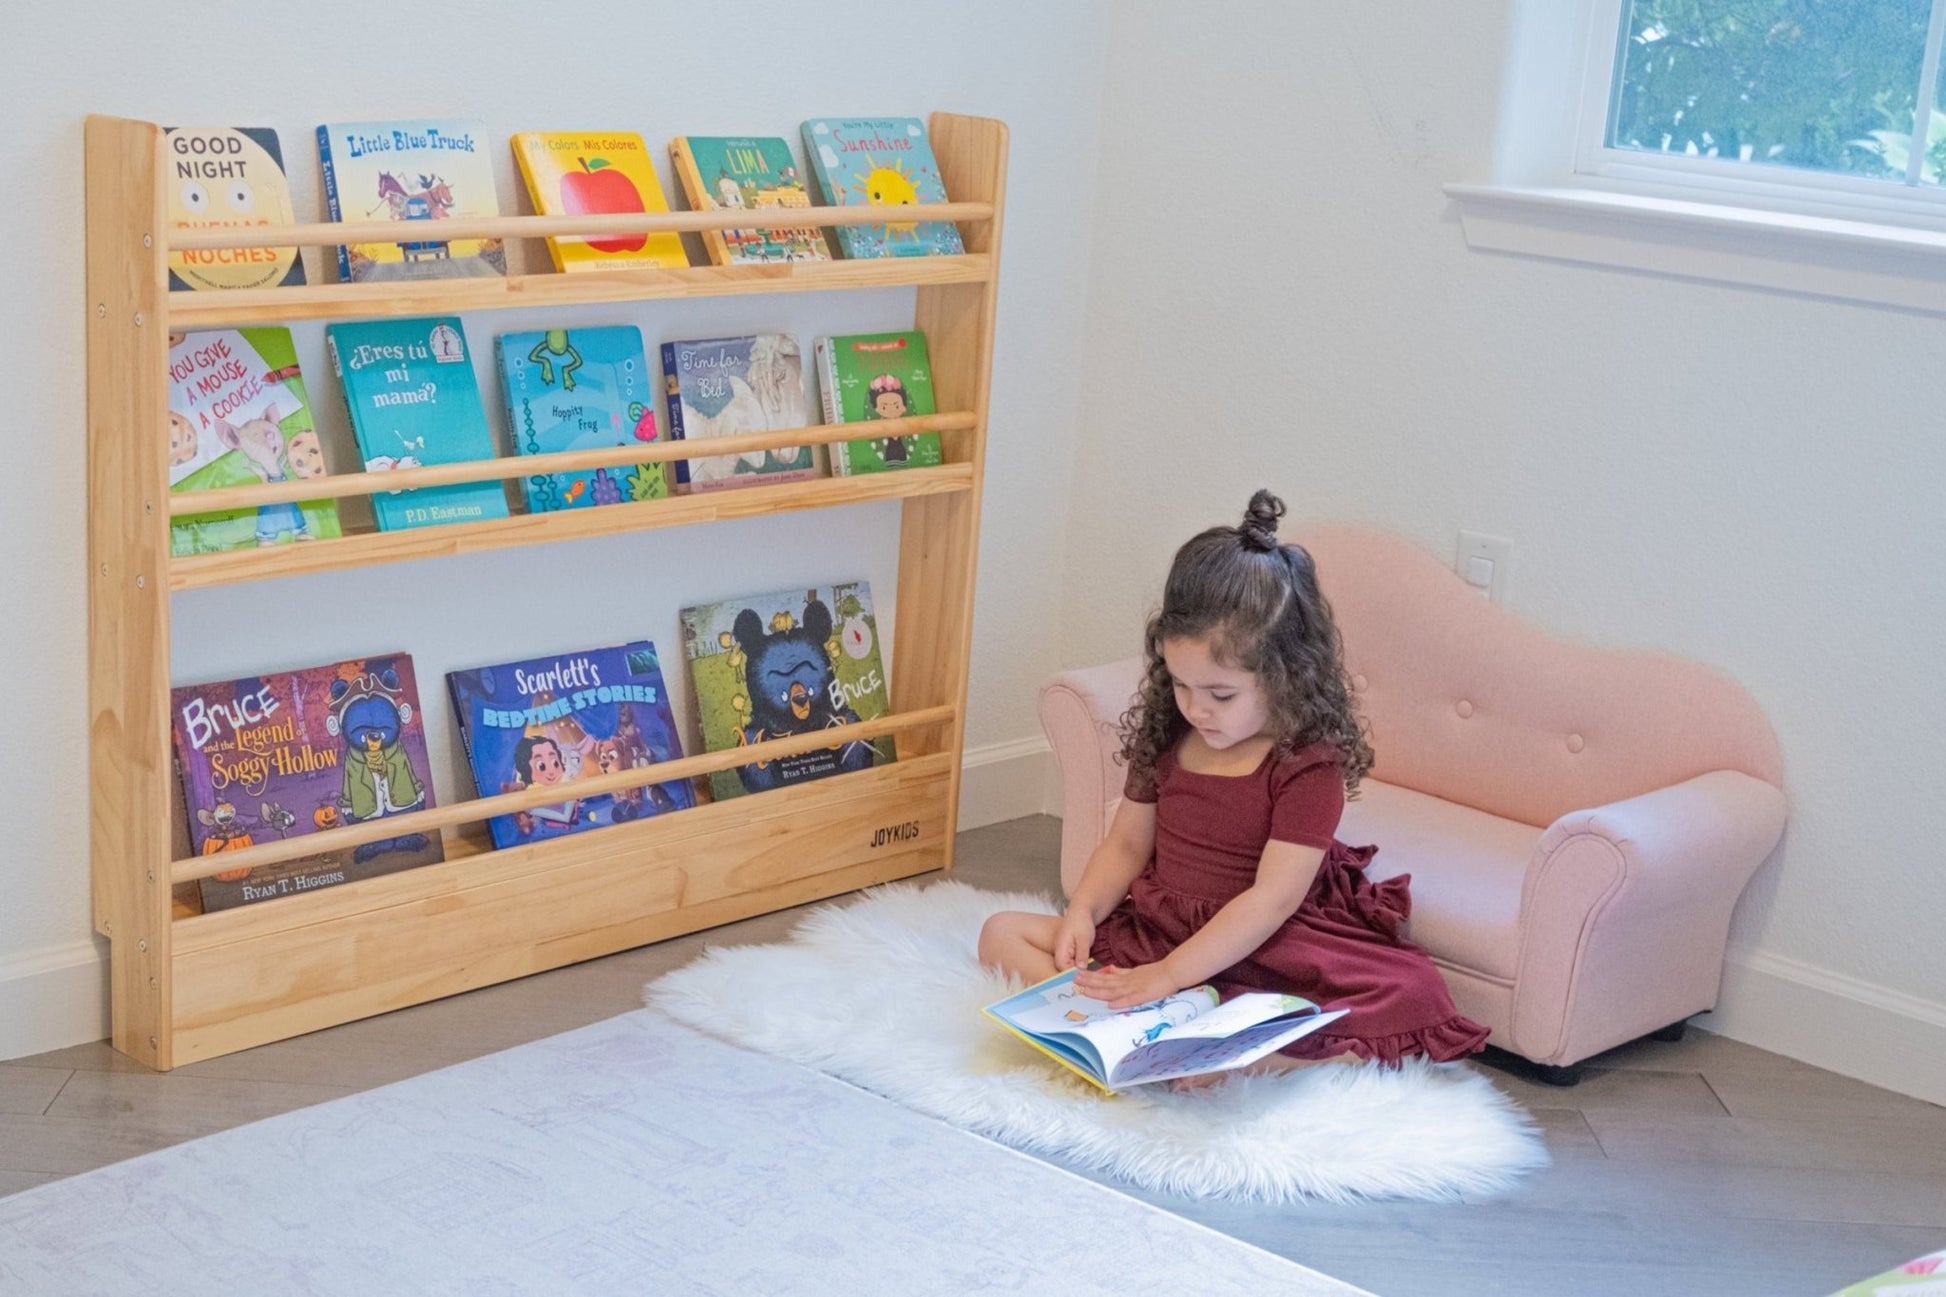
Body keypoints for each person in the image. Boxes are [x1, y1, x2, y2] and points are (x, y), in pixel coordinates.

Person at [979, 489, 1489, 1072]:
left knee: (1413, 990)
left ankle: (1265, 1051)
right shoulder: (1170, 731)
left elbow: (1272, 900)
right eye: (1180, 684)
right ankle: (1136, 1026)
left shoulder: (1307, 763)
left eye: (1221, 694)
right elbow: (1125, 844)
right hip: (1162, 928)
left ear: (1283, 676)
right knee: (1001, 933)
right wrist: (1084, 913)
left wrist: (1170, 975)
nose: (1197, 708)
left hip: (1270, 940)